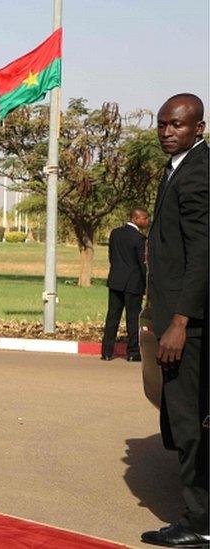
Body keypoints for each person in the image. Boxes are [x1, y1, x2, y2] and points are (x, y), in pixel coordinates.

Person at [140, 93, 208, 548]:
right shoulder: (179, 167)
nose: (167, 131)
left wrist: (179, 321)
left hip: (189, 325)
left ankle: (199, 522)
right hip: (174, 317)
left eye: (177, 125)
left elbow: (203, 251)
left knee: (190, 424)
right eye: (162, 124)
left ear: (198, 128)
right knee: (184, 421)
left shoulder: (198, 173)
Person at [101, 208, 148, 362]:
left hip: (115, 281)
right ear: (135, 218)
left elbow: (111, 256)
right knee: (133, 318)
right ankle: (133, 352)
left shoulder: (115, 233)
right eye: (145, 218)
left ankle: (106, 352)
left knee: (112, 316)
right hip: (133, 283)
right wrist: (146, 283)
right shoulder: (140, 238)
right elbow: (142, 264)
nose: (147, 222)